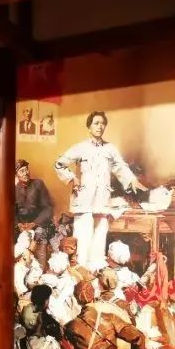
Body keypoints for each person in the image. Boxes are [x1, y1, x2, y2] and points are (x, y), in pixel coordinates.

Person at [54, 111, 147, 267]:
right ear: (89, 126)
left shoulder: (110, 149)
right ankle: (81, 272)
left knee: (99, 238)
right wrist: (71, 178)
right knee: (83, 240)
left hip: (102, 199)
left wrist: (132, 180)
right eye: (96, 123)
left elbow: (120, 166)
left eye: (103, 123)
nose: (100, 126)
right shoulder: (80, 148)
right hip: (84, 199)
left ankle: (96, 273)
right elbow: (59, 164)